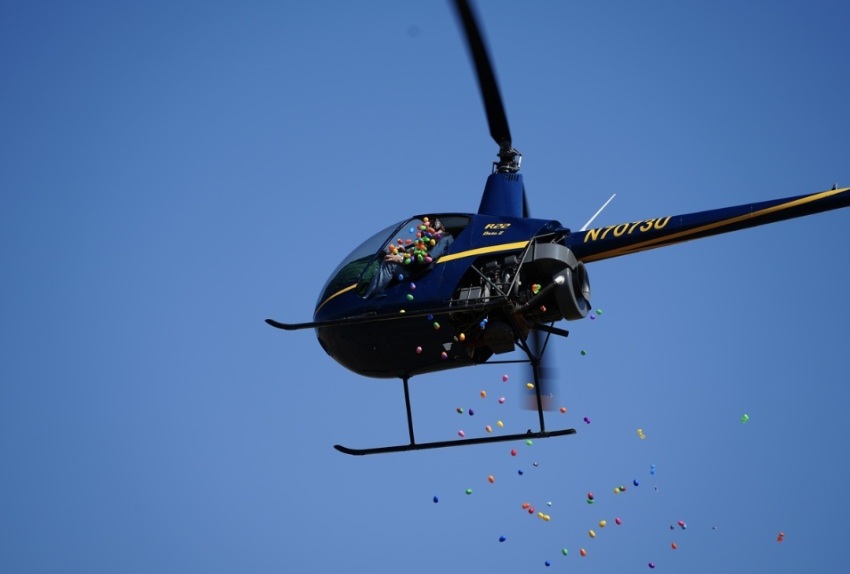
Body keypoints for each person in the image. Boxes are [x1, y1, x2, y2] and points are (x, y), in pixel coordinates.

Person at [362, 217, 452, 298]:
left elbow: (426, 260)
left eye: (428, 229)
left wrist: (401, 259)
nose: (426, 233)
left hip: (420, 274)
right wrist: (404, 252)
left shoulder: (444, 239)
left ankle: (367, 297)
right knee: (393, 256)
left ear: (436, 227)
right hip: (416, 269)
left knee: (389, 262)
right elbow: (418, 257)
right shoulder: (432, 240)